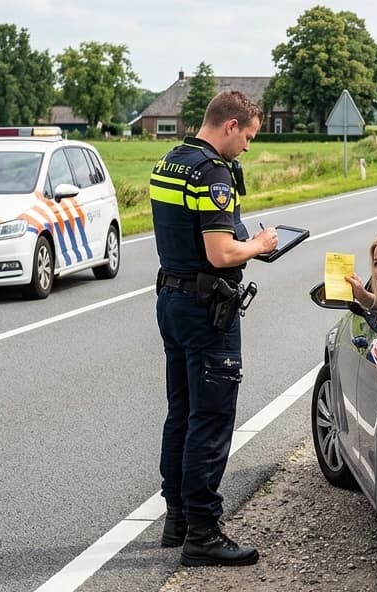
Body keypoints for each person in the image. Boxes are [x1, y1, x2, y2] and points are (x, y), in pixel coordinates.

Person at [150, 90, 278, 567]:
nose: (247, 146)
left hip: (171, 298)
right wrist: (260, 244)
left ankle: (177, 518)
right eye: (247, 136)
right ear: (229, 125)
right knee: (212, 417)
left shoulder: (170, 161)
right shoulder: (212, 173)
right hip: (208, 309)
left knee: (180, 410)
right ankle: (203, 533)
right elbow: (221, 253)